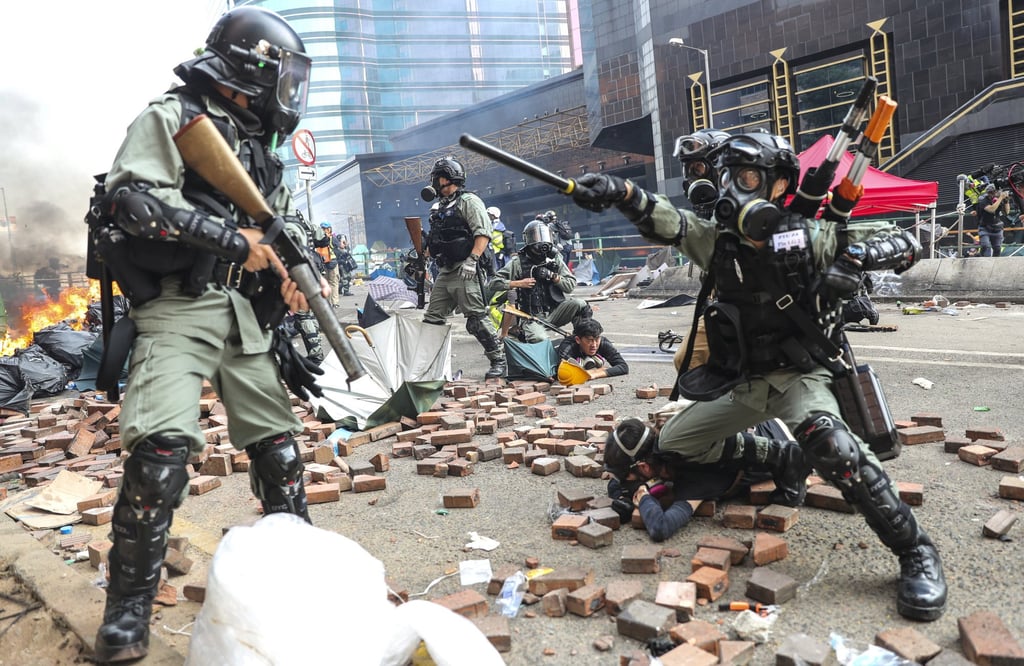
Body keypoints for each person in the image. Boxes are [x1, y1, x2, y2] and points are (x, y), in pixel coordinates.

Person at [569, 129, 946, 622]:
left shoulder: (809, 235)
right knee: (673, 444)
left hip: (799, 379)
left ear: (778, 185)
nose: (734, 188)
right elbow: (672, 223)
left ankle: (915, 551)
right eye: (727, 177)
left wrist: (856, 261)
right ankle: (779, 457)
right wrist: (623, 193)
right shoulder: (718, 242)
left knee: (833, 447)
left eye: (747, 177)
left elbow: (910, 240)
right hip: (743, 384)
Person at [90, 7, 327, 661]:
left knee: (279, 452)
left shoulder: (257, 149)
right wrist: (228, 238)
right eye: (283, 75)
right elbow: (130, 203)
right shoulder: (171, 117)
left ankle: (301, 578)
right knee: (162, 453)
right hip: (176, 304)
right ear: (247, 71)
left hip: (236, 308)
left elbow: (276, 228)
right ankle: (128, 610)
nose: (291, 91)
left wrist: (296, 272)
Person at [604, 418, 801, 542]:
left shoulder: (695, 474)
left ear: (644, 467)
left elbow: (661, 527)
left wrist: (644, 499)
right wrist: (624, 493)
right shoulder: (670, 438)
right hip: (760, 420)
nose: (624, 481)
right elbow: (616, 483)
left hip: (785, 440)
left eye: (626, 476)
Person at [421, 156, 506, 379]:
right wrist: (421, 254)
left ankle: (499, 360)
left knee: (476, 318)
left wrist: (473, 260)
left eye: (439, 178)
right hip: (445, 270)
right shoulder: (438, 208)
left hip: (465, 268)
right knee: (432, 319)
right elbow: (434, 243)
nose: (436, 183)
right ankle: (431, 367)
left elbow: (483, 233)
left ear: (449, 179)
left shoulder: (469, 201)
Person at [489, 219, 591, 343]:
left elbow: (570, 286)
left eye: (544, 234)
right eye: (536, 235)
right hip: (532, 317)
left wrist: (554, 276)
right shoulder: (518, 262)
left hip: (555, 312)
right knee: (540, 339)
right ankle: (520, 334)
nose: (542, 241)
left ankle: (583, 341)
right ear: (528, 239)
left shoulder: (555, 259)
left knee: (581, 305)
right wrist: (519, 283)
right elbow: (494, 283)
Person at [555, 317, 628, 380]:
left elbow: (623, 366)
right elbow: (562, 373)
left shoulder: (603, 342)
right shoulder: (568, 346)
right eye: (589, 340)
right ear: (578, 340)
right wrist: (593, 371)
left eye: (596, 339)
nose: (594, 345)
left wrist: (596, 374)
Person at [975, 183, 1009, 257]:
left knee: (997, 248)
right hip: (985, 227)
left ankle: (995, 263)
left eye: (994, 192)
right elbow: (991, 209)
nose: (992, 194)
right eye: (991, 193)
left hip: (997, 227)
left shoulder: (998, 200)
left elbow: (1006, 212)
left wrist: (1006, 201)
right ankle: (981, 257)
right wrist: (1000, 198)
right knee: (985, 245)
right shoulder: (983, 201)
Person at [318, 222, 341, 306]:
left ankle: (327, 303)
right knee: (334, 283)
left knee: (325, 283)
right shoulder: (332, 238)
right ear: (329, 229)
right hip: (333, 262)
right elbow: (340, 246)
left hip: (323, 263)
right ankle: (335, 302)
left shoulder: (318, 238)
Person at [487, 206, 510, 270]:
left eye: (488, 214)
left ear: (493, 216)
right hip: (494, 255)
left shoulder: (497, 229)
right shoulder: (496, 227)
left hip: (497, 255)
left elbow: (496, 241)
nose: (487, 216)